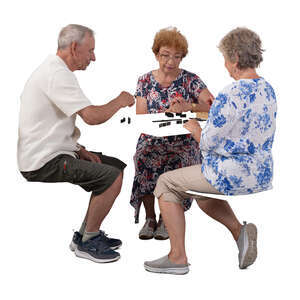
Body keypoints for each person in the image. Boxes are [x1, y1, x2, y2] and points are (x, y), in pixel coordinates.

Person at [144, 27, 277, 274]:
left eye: (226, 58)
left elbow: (207, 142)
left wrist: (192, 125)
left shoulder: (231, 93)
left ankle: (177, 258)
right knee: (198, 191)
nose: (225, 64)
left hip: (231, 173)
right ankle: (240, 233)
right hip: (261, 173)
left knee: (165, 183)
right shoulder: (267, 89)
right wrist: (193, 109)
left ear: (235, 58)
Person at [17, 24, 135, 264]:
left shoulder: (57, 71)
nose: (93, 57)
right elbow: (91, 117)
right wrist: (120, 101)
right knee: (110, 177)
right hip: (42, 161)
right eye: (90, 51)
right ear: (74, 47)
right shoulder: (56, 74)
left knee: (116, 167)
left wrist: (80, 150)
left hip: (54, 151)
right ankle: (89, 242)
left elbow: (49, 124)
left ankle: (83, 235)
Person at [130, 27, 214, 240]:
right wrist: (163, 116)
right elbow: (141, 117)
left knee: (180, 159)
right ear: (157, 54)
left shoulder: (190, 80)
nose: (170, 61)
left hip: (184, 140)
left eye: (177, 56)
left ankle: (167, 218)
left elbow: (214, 106)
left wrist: (190, 106)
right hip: (153, 137)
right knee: (142, 157)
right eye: (165, 55)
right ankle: (150, 217)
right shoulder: (145, 81)